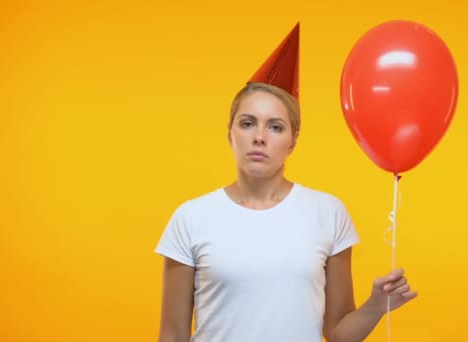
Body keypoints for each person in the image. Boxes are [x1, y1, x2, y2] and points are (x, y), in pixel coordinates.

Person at [155, 24, 417, 342]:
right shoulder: (191, 218)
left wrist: (376, 306)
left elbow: (336, 334)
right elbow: (172, 334)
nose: (260, 137)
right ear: (230, 134)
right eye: (248, 123)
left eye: (276, 127)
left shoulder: (328, 213)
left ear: (292, 141)